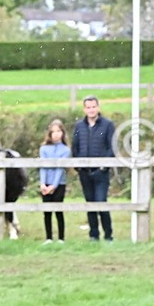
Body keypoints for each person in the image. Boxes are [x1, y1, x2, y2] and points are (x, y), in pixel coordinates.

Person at [72, 95, 116, 242]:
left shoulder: (107, 125)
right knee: (90, 203)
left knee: (101, 202)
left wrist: (104, 166)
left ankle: (108, 235)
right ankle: (93, 235)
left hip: (101, 172)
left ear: (98, 107)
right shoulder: (79, 126)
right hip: (85, 172)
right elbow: (75, 146)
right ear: (84, 109)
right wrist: (79, 167)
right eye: (88, 107)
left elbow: (112, 147)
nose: (91, 110)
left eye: (93, 107)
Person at [39, 120, 71, 244]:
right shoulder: (44, 148)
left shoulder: (65, 150)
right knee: (47, 212)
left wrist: (54, 185)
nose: (56, 134)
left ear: (62, 133)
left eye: (58, 131)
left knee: (58, 210)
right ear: (49, 133)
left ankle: (61, 238)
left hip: (59, 183)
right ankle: (48, 238)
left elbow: (59, 168)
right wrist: (43, 184)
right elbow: (43, 166)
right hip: (45, 183)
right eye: (53, 132)